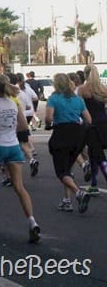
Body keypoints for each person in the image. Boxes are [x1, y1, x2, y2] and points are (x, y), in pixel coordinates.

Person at [0, 74, 41, 243]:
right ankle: (32, 221)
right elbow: (23, 126)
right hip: (13, 146)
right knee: (19, 187)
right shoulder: (14, 104)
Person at [45, 73, 92, 213]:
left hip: (61, 134)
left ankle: (78, 193)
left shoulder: (53, 99)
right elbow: (88, 120)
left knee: (61, 171)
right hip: (77, 135)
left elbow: (48, 118)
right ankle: (67, 200)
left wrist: (49, 124)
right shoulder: (78, 99)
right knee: (68, 168)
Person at [77, 64, 107, 195]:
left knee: (98, 155)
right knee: (94, 154)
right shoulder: (103, 88)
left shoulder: (82, 89)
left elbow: (79, 109)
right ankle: (94, 184)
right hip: (104, 123)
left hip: (90, 125)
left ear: (85, 74)